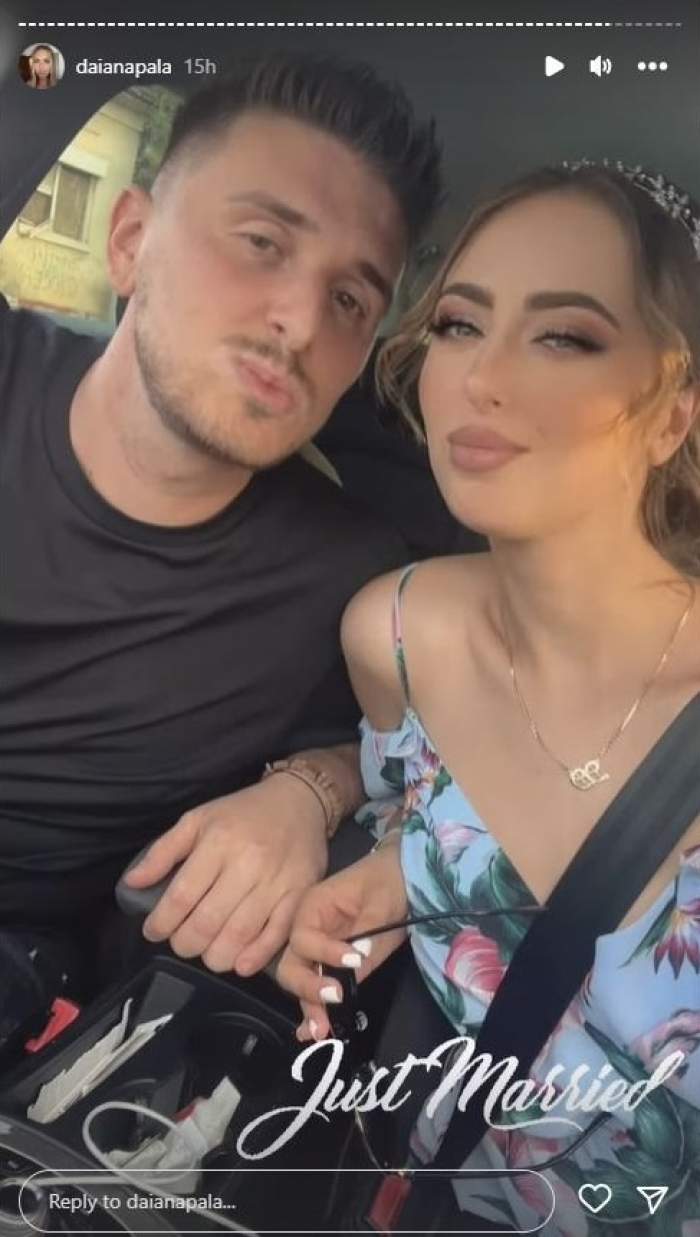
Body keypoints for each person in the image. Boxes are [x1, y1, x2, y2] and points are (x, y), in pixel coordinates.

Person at [278, 162, 700, 1233]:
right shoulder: (394, 633)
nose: (480, 375)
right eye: (459, 325)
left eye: (564, 336)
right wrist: (392, 869)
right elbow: (416, 809)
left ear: (671, 414)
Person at [0, 53, 442, 1023]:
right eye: (260, 242)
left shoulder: (350, 578)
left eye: (349, 301)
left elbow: (392, 756)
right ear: (130, 241)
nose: (299, 321)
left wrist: (305, 795)